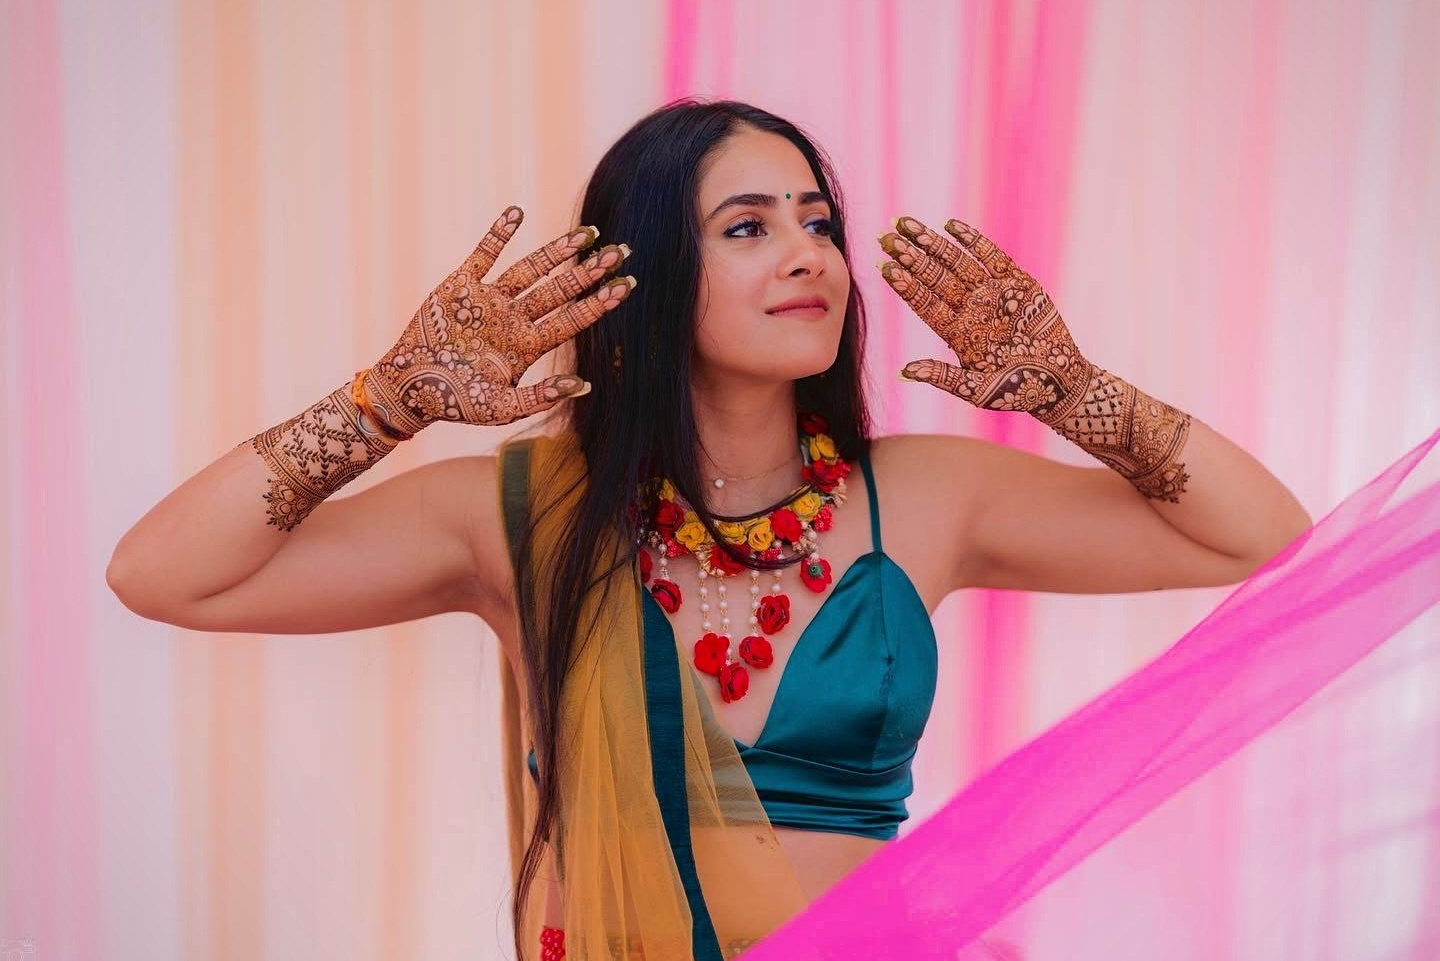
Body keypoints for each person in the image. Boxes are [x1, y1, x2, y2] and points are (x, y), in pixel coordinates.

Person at [107, 99, 1312, 961]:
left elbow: (1257, 536)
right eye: (749, 227)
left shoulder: (928, 497)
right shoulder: (517, 514)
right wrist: (388, 401)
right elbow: (165, 573)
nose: (809, 255)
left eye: (819, 222)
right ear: (641, 278)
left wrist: (1071, 391)